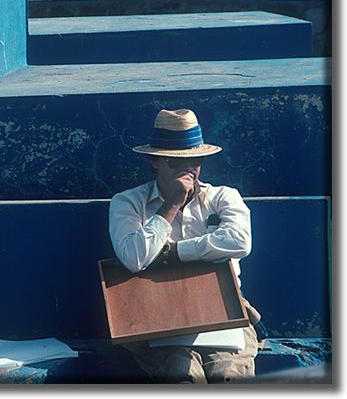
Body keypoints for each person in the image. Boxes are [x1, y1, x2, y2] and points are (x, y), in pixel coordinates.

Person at [108, 108, 265, 384]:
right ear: (155, 161)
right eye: (176, 162)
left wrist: (174, 252)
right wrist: (172, 205)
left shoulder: (223, 196)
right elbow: (133, 257)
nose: (189, 169)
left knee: (228, 374)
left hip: (222, 310)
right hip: (158, 317)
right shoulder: (128, 202)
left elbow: (240, 241)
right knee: (182, 374)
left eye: (196, 160)